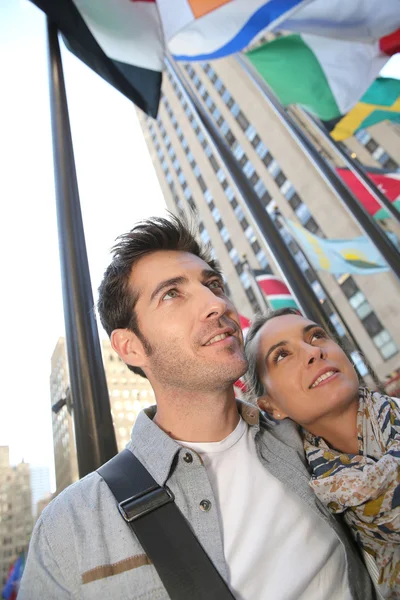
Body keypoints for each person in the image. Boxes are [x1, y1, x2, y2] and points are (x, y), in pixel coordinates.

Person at [20, 216, 374, 600]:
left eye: (213, 285)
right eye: (172, 294)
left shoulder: (311, 438)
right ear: (130, 347)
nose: (216, 304)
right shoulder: (70, 528)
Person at [245, 307, 400, 599]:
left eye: (316, 336)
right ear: (270, 407)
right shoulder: (314, 518)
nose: (312, 352)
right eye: (282, 355)